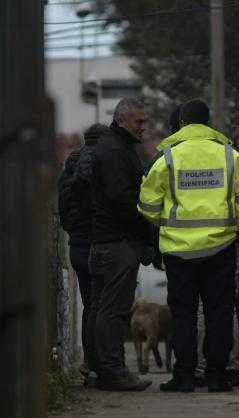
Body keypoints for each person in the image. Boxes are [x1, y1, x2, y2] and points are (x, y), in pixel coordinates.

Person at [138, 99, 239, 392]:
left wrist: (165, 225)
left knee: (183, 314)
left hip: (179, 251)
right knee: (219, 311)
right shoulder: (230, 155)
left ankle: (184, 376)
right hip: (221, 248)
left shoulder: (167, 157)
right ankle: (217, 375)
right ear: (208, 123)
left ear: (181, 123)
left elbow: (147, 205)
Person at [89, 97, 154, 391]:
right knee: (113, 310)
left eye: (145, 121)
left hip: (110, 241)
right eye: (139, 121)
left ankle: (106, 369)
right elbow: (123, 199)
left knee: (106, 308)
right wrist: (146, 233)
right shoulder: (115, 151)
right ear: (121, 120)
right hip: (115, 242)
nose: (144, 127)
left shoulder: (117, 148)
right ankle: (113, 371)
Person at [57, 123, 110, 381]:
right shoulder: (98, 167)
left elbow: (63, 217)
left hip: (76, 245)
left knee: (91, 305)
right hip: (97, 243)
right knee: (104, 306)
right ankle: (103, 363)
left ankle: (90, 362)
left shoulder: (66, 172)